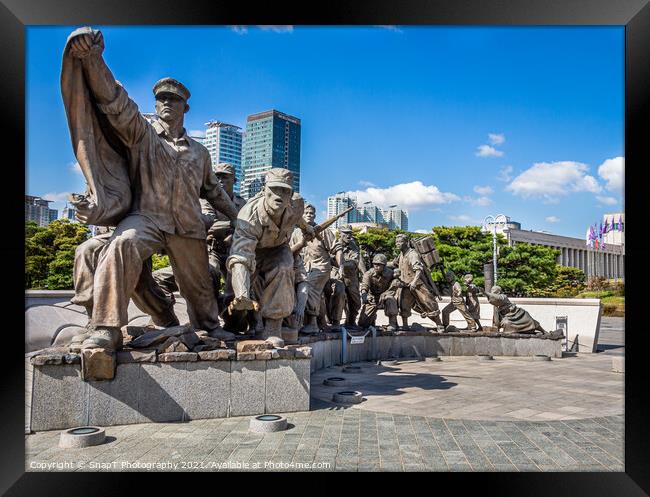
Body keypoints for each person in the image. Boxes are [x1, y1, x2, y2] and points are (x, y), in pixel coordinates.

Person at [65, 28, 239, 350]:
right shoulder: (142, 134)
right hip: (146, 217)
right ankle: (106, 327)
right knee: (121, 246)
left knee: (200, 286)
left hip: (187, 224)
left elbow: (214, 191)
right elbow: (114, 101)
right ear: (155, 104)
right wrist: (92, 59)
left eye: (174, 99)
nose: (167, 103)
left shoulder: (199, 152)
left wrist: (238, 217)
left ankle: (208, 327)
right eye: (161, 98)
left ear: (186, 107)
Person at [226, 168, 314, 347]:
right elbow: (241, 256)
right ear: (264, 190)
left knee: (284, 266)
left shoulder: (296, 203)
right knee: (235, 308)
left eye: (284, 191)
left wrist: (307, 228)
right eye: (274, 190)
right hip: (253, 252)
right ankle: (244, 322)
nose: (279, 195)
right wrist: (242, 293)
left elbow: (298, 218)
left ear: (291, 195)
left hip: (278, 248)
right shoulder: (249, 215)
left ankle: (273, 328)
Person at [289, 204, 337, 334]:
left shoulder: (323, 231)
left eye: (311, 213)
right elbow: (290, 252)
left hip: (321, 267)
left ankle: (312, 323)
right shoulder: (296, 233)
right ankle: (299, 320)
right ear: (301, 215)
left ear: (315, 215)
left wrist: (341, 266)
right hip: (302, 268)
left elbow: (336, 249)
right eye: (306, 213)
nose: (309, 215)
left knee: (308, 287)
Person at [393, 233, 444, 331]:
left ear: (406, 242)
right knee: (404, 305)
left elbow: (419, 269)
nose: (397, 244)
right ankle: (405, 325)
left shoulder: (412, 254)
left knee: (428, 302)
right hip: (405, 285)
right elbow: (394, 264)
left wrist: (414, 282)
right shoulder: (401, 255)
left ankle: (439, 324)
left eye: (400, 242)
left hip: (417, 284)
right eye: (396, 242)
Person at [331, 225, 365, 328]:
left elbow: (354, 262)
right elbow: (329, 259)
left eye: (350, 233)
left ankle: (351, 321)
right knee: (339, 296)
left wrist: (341, 264)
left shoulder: (353, 246)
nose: (348, 235)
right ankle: (336, 322)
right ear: (340, 234)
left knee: (355, 301)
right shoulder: (333, 245)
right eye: (345, 233)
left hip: (351, 277)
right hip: (337, 275)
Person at [358, 254, 399, 332]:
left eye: (379, 265)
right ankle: (371, 321)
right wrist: (364, 296)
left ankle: (392, 323)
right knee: (362, 324)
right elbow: (365, 286)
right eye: (375, 264)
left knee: (390, 299)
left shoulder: (390, 273)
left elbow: (397, 281)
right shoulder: (369, 274)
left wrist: (397, 277)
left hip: (385, 295)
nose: (376, 266)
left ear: (384, 266)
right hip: (373, 297)